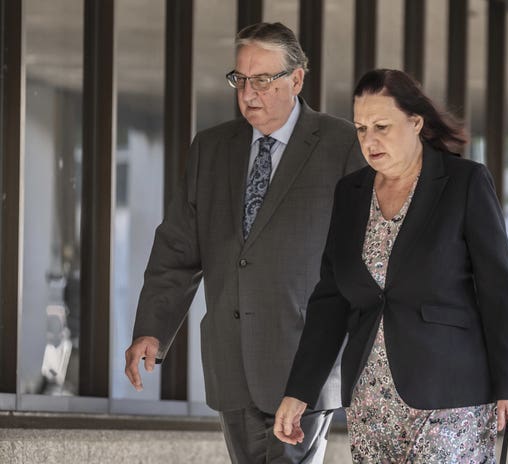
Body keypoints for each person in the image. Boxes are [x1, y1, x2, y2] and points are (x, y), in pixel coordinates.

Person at [124, 22, 364, 464]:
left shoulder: (343, 144)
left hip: (306, 360)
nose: (249, 93)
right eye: (241, 79)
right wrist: (152, 330)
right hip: (232, 360)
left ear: (296, 78)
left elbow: (364, 254)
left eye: (263, 80)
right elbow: (178, 248)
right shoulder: (211, 149)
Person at [274, 69, 508, 463]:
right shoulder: (350, 193)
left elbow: (499, 290)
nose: (369, 140)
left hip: (451, 396)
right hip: (370, 400)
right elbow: (330, 301)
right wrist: (299, 391)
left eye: (381, 126)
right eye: (361, 129)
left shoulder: (465, 182)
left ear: (415, 122)